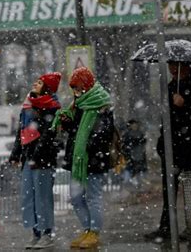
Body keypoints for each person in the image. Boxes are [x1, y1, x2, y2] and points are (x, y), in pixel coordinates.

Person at [144, 62, 191, 241]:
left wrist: (185, 104)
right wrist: (162, 144)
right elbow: (166, 118)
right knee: (169, 189)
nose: (172, 71)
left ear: (185, 66)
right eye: (170, 66)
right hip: (172, 148)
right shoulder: (170, 87)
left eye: (175, 66)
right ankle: (167, 227)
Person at [55, 67, 113, 249]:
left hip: (93, 159)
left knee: (93, 197)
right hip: (78, 159)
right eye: (74, 88)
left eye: (78, 87)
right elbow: (76, 131)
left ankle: (94, 232)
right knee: (76, 196)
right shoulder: (79, 104)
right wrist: (67, 123)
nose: (76, 92)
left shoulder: (100, 103)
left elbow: (104, 133)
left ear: (87, 85)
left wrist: (88, 144)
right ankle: (87, 229)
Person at [9, 72, 62, 249]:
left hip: (43, 160)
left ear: (47, 87)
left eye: (39, 82)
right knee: (28, 196)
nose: (35, 84)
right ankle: (35, 232)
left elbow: (49, 134)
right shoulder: (28, 105)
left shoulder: (52, 107)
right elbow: (21, 131)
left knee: (43, 197)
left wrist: (38, 153)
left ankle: (47, 233)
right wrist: (16, 154)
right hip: (28, 159)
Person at [121, 119, 147, 188]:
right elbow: (125, 145)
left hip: (139, 156)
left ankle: (137, 185)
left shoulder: (140, 133)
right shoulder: (127, 134)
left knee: (138, 173)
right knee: (129, 171)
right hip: (131, 156)